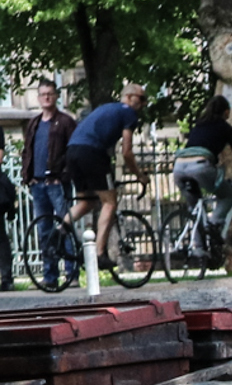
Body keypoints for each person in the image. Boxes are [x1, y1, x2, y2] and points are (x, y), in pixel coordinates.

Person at [62, 82, 149, 264]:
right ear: (128, 96)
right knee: (109, 202)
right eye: (141, 99)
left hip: (72, 151)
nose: (143, 104)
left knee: (86, 202)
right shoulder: (129, 113)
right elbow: (127, 152)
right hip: (93, 153)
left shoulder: (106, 108)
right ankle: (99, 254)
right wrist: (140, 175)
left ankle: (58, 233)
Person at [171, 95, 232, 259]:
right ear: (226, 112)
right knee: (226, 195)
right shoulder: (226, 128)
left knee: (194, 208)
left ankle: (200, 249)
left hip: (179, 167)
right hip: (200, 166)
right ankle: (214, 224)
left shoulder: (198, 125)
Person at [21, 80, 77, 289]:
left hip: (56, 183)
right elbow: (27, 151)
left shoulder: (65, 122)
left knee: (64, 226)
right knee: (44, 229)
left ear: (56, 96)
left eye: (50, 94)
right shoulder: (34, 123)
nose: (46, 97)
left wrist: (63, 175)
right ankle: (49, 276)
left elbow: (72, 151)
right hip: (38, 183)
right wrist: (27, 176)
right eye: (43, 94)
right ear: (38, 97)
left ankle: (72, 274)